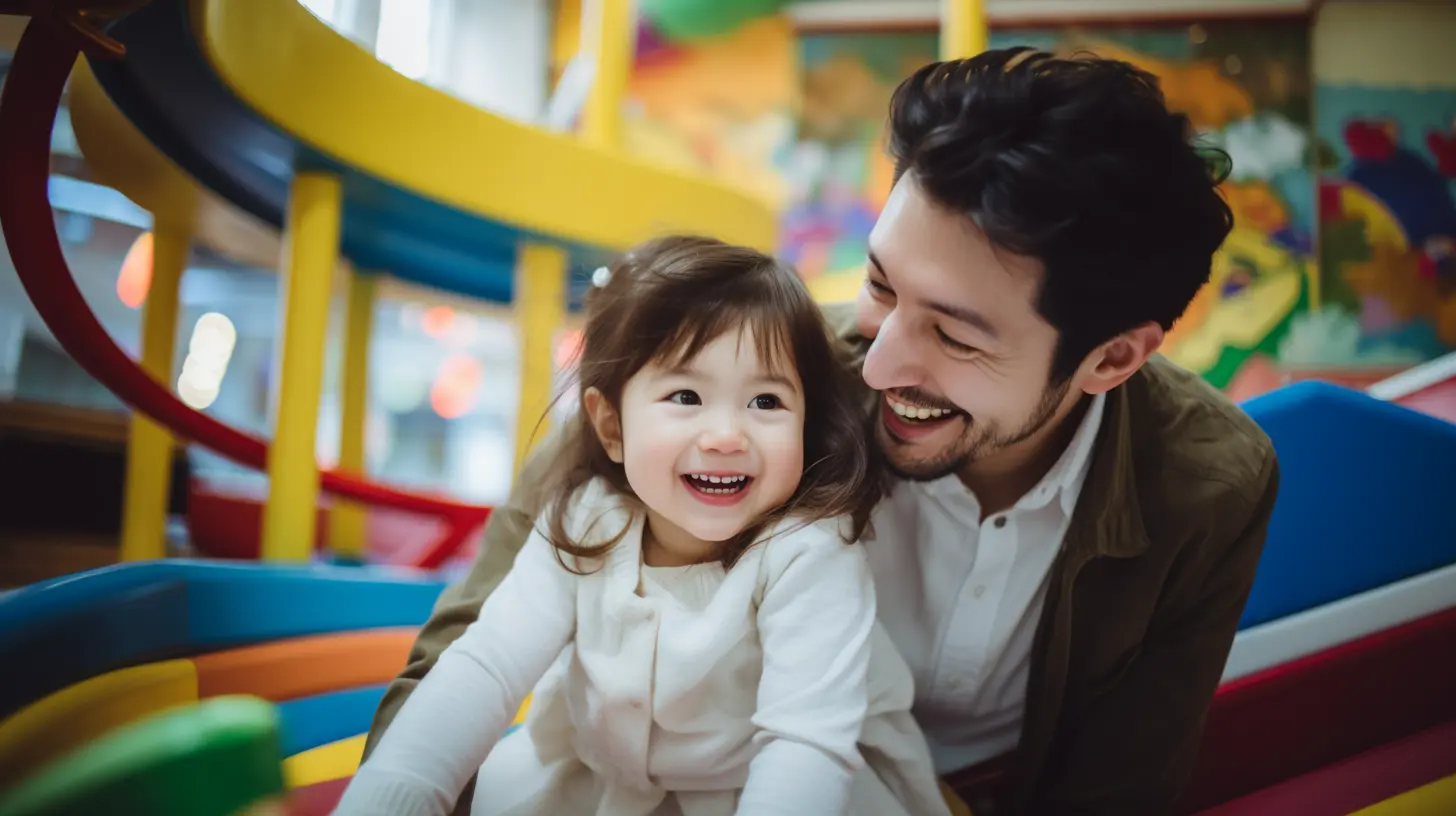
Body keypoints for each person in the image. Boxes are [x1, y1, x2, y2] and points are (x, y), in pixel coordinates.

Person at [365, 47, 1280, 815]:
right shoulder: (745, 381)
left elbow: (1122, 788)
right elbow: (471, 652)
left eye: (955, 335)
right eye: (882, 286)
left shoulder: (1205, 486)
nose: (876, 366)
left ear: (1111, 360)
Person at [335, 237, 952, 816]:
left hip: (765, 790)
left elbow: (804, 747)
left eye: (766, 402)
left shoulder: (810, 552)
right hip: (598, 781)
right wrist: (398, 792)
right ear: (610, 427)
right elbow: (488, 665)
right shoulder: (584, 519)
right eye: (686, 396)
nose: (726, 436)